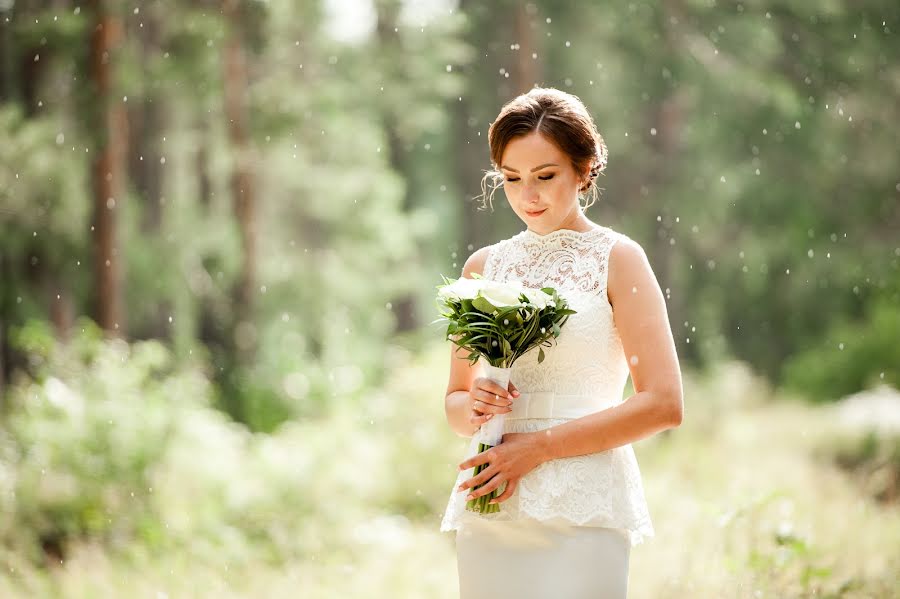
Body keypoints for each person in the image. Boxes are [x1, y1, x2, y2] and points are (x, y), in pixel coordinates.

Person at [439, 87, 684, 599]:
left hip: (584, 500)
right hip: (494, 498)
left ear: (585, 168)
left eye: (545, 176)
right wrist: (476, 406)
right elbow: (456, 403)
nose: (528, 195)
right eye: (511, 179)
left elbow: (663, 405)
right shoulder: (483, 268)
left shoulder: (620, 259)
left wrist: (540, 448)